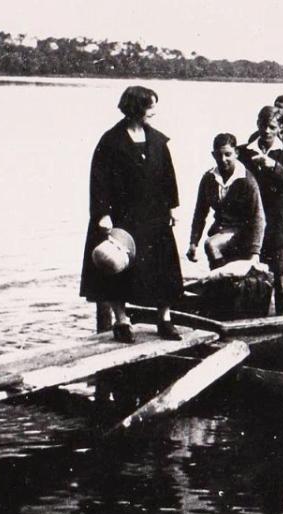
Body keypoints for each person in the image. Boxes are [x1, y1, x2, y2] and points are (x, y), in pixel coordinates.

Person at [79, 85, 184, 343]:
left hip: (154, 215)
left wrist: (172, 206)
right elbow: (98, 181)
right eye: (150, 107)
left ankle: (165, 319)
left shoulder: (159, 141)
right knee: (118, 269)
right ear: (137, 108)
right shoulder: (111, 141)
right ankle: (122, 321)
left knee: (163, 267)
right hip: (122, 216)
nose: (154, 113)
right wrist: (102, 213)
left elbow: (168, 176)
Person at [238, 106, 283, 314]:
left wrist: (272, 164)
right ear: (257, 124)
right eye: (263, 126)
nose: (266, 131)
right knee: (257, 272)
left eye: (272, 127)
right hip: (255, 219)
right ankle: (258, 320)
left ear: (280, 127)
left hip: (280, 221)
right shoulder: (246, 151)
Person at [188, 133, 265, 270]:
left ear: (236, 153)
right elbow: (200, 212)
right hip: (220, 231)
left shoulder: (246, 180)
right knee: (215, 256)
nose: (223, 159)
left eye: (228, 154)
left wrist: (255, 252)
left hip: (243, 233)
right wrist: (193, 243)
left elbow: (258, 217)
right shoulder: (209, 178)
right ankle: (221, 283)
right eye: (219, 155)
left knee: (211, 244)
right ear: (213, 155)